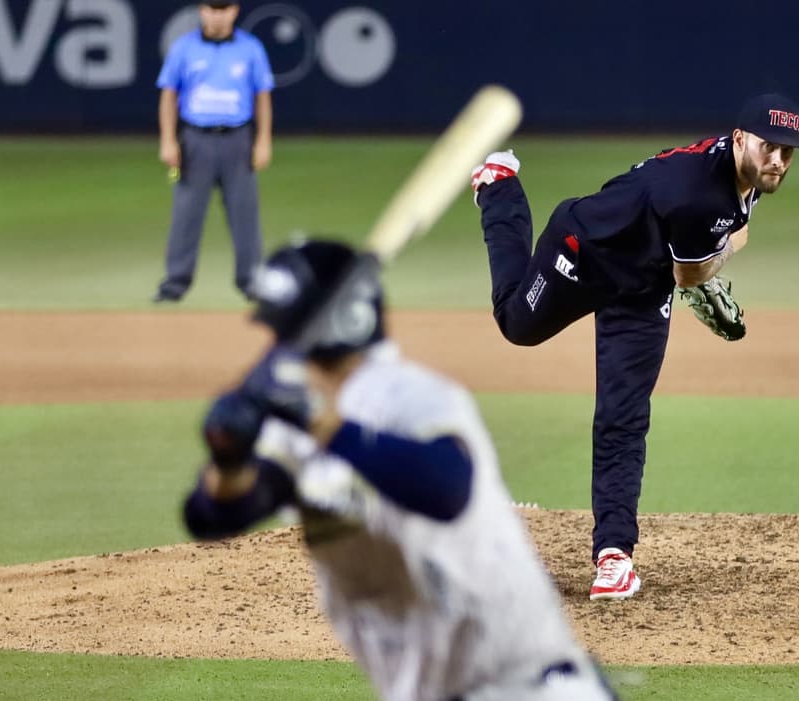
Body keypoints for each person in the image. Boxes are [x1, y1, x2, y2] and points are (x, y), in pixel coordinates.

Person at [182, 238, 619, 701]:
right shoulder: (296, 427)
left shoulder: (415, 397)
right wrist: (228, 457)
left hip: (526, 688)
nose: (275, 349)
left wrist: (321, 422)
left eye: (282, 333)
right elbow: (214, 516)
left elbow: (446, 488)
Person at [470, 93, 799, 601]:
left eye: (788, 152)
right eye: (770, 148)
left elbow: (728, 234)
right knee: (517, 325)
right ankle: (499, 185)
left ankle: (614, 556)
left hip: (642, 289)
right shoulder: (702, 194)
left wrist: (715, 253)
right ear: (740, 139)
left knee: (623, 416)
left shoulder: (746, 173)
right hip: (582, 251)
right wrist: (713, 266)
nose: (779, 161)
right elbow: (692, 272)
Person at [154, 1, 275, 303]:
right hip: (196, 139)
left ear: (234, 11)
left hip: (237, 137)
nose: (217, 15)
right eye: (211, 8)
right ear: (201, 11)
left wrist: (263, 141)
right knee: (186, 214)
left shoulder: (251, 49)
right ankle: (175, 282)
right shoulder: (184, 48)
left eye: (223, 9)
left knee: (244, 214)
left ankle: (251, 281)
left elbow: (262, 97)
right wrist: (168, 140)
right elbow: (169, 95)